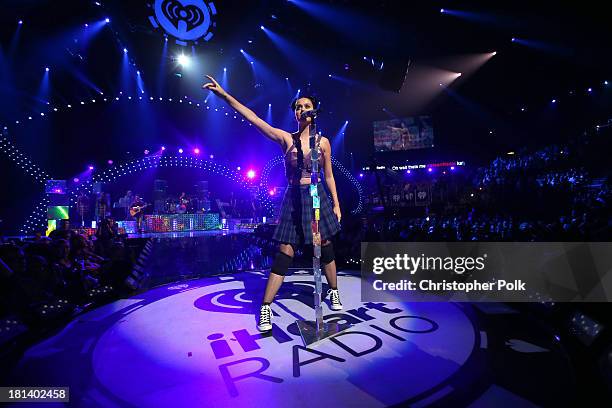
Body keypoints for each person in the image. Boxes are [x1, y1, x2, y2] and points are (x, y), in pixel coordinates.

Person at [203, 75, 342, 332]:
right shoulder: (285, 139)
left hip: (317, 195)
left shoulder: (323, 142)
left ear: (314, 111)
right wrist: (224, 95)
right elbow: (253, 118)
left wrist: (336, 204)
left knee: (325, 244)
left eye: (305, 106)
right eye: (297, 106)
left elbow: (329, 175)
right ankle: (266, 307)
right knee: (285, 251)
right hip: (294, 197)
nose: (300, 109)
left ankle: (333, 291)